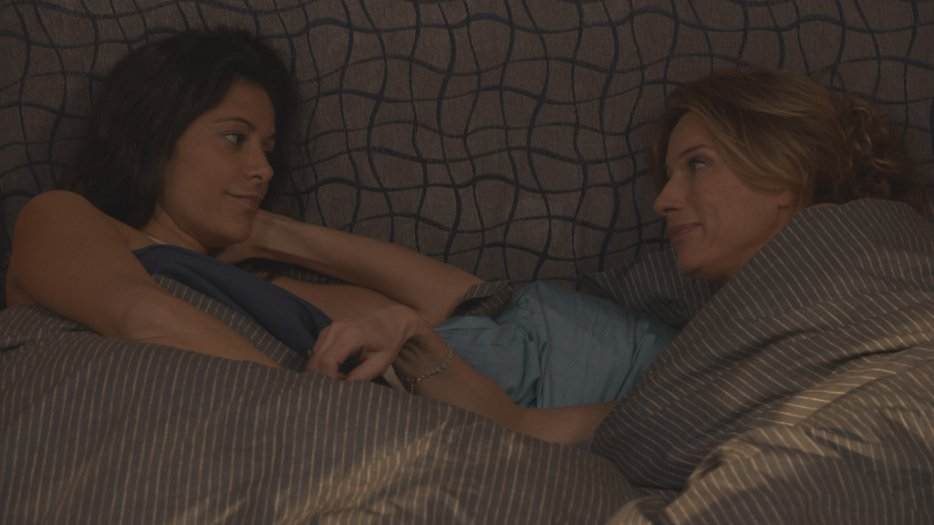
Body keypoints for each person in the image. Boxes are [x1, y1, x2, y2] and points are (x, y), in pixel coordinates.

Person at [4, 28, 673, 414]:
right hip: (536, 394)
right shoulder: (63, 216)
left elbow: (477, 302)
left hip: (570, 349)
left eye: (268, 150)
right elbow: (140, 316)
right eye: (235, 139)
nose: (262, 169)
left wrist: (270, 232)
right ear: (153, 135)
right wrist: (329, 417)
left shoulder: (251, 280)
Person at [342, 67, 929, 444]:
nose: (664, 200)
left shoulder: (872, 263)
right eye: (669, 176)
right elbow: (527, 425)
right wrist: (419, 347)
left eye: (697, 164)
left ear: (787, 172)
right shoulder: (707, 349)